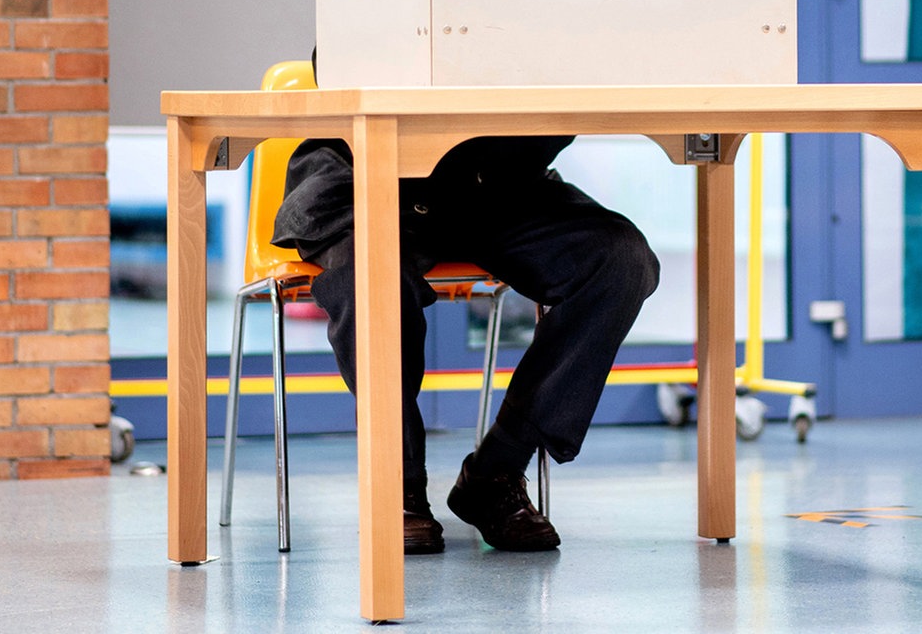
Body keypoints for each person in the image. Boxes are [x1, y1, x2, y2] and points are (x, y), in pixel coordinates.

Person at [273, 132, 660, 553]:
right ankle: (397, 486)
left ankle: (495, 475)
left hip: (497, 191)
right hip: (365, 182)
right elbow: (338, 67)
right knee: (369, 274)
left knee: (620, 260)